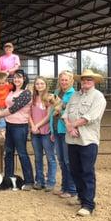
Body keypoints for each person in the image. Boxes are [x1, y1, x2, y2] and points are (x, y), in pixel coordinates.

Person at [62, 69, 107, 217]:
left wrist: (73, 125)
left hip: (88, 139)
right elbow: (66, 113)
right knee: (75, 169)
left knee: (87, 171)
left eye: (89, 79)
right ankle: (81, 197)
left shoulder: (98, 97)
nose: (86, 81)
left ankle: (88, 204)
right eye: (84, 79)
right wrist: (69, 126)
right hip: (73, 138)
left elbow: (91, 117)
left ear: (94, 82)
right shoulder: (75, 95)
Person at [0, 70, 34, 190]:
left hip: (20, 126)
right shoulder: (11, 91)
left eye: (19, 77)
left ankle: (29, 181)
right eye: (15, 77)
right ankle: (8, 178)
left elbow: (14, 108)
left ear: (24, 79)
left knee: (22, 153)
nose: (17, 79)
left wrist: (0, 114)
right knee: (9, 152)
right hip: (10, 124)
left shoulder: (26, 93)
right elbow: (6, 104)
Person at [49, 70, 77, 199]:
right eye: (62, 79)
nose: (64, 82)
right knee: (61, 160)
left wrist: (60, 107)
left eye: (66, 80)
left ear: (71, 81)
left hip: (66, 130)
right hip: (56, 128)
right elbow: (52, 110)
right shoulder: (56, 92)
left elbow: (70, 110)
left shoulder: (73, 94)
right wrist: (51, 129)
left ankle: (72, 189)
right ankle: (64, 187)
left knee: (67, 160)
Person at [29, 76, 56, 191]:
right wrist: (32, 126)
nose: (39, 86)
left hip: (45, 131)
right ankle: (39, 180)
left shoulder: (49, 98)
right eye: (37, 84)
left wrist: (37, 125)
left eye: (41, 83)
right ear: (34, 85)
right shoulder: (32, 98)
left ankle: (51, 181)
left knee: (50, 157)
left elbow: (48, 116)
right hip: (35, 132)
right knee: (38, 157)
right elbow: (28, 113)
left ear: (45, 85)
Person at [0, 72, 13, 142]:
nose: (1, 85)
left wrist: (7, 82)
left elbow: (13, 86)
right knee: (1, 121)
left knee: (4, 122)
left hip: (6, 108)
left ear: (6, 82)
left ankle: (2, 135)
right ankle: (1, 135)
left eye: (3, 83)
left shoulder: (7, 86)